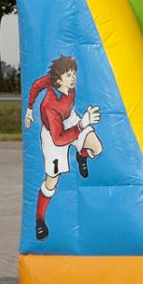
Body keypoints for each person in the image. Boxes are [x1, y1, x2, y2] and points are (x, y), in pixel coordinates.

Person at [24, 56, 103, 241]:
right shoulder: (50, 105)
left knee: (97, 147)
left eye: (74, 73)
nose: (73, 77)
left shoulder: (56, 80)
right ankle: (39, 219)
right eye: (69, 75)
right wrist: (82, 125)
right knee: (51, 181)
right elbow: (59, 139)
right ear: (59, 79)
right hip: (53, 134)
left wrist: (29, 108)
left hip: (69, 119)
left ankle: (82, 154)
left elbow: (36, 85)